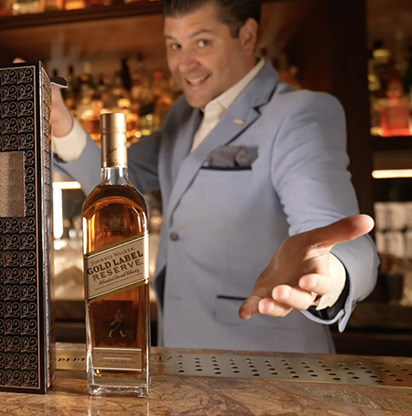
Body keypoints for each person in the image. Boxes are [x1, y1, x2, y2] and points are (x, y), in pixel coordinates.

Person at [50, 0, 379, 353]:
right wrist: (60, 121)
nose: (183, 63)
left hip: (268, 363)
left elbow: (338, 234)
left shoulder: (299, 113)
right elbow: (115, 180)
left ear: (247, 36)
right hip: (178, 357)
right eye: (174, 45)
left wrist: (331, 273)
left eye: (202, 42)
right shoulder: (181, 114)